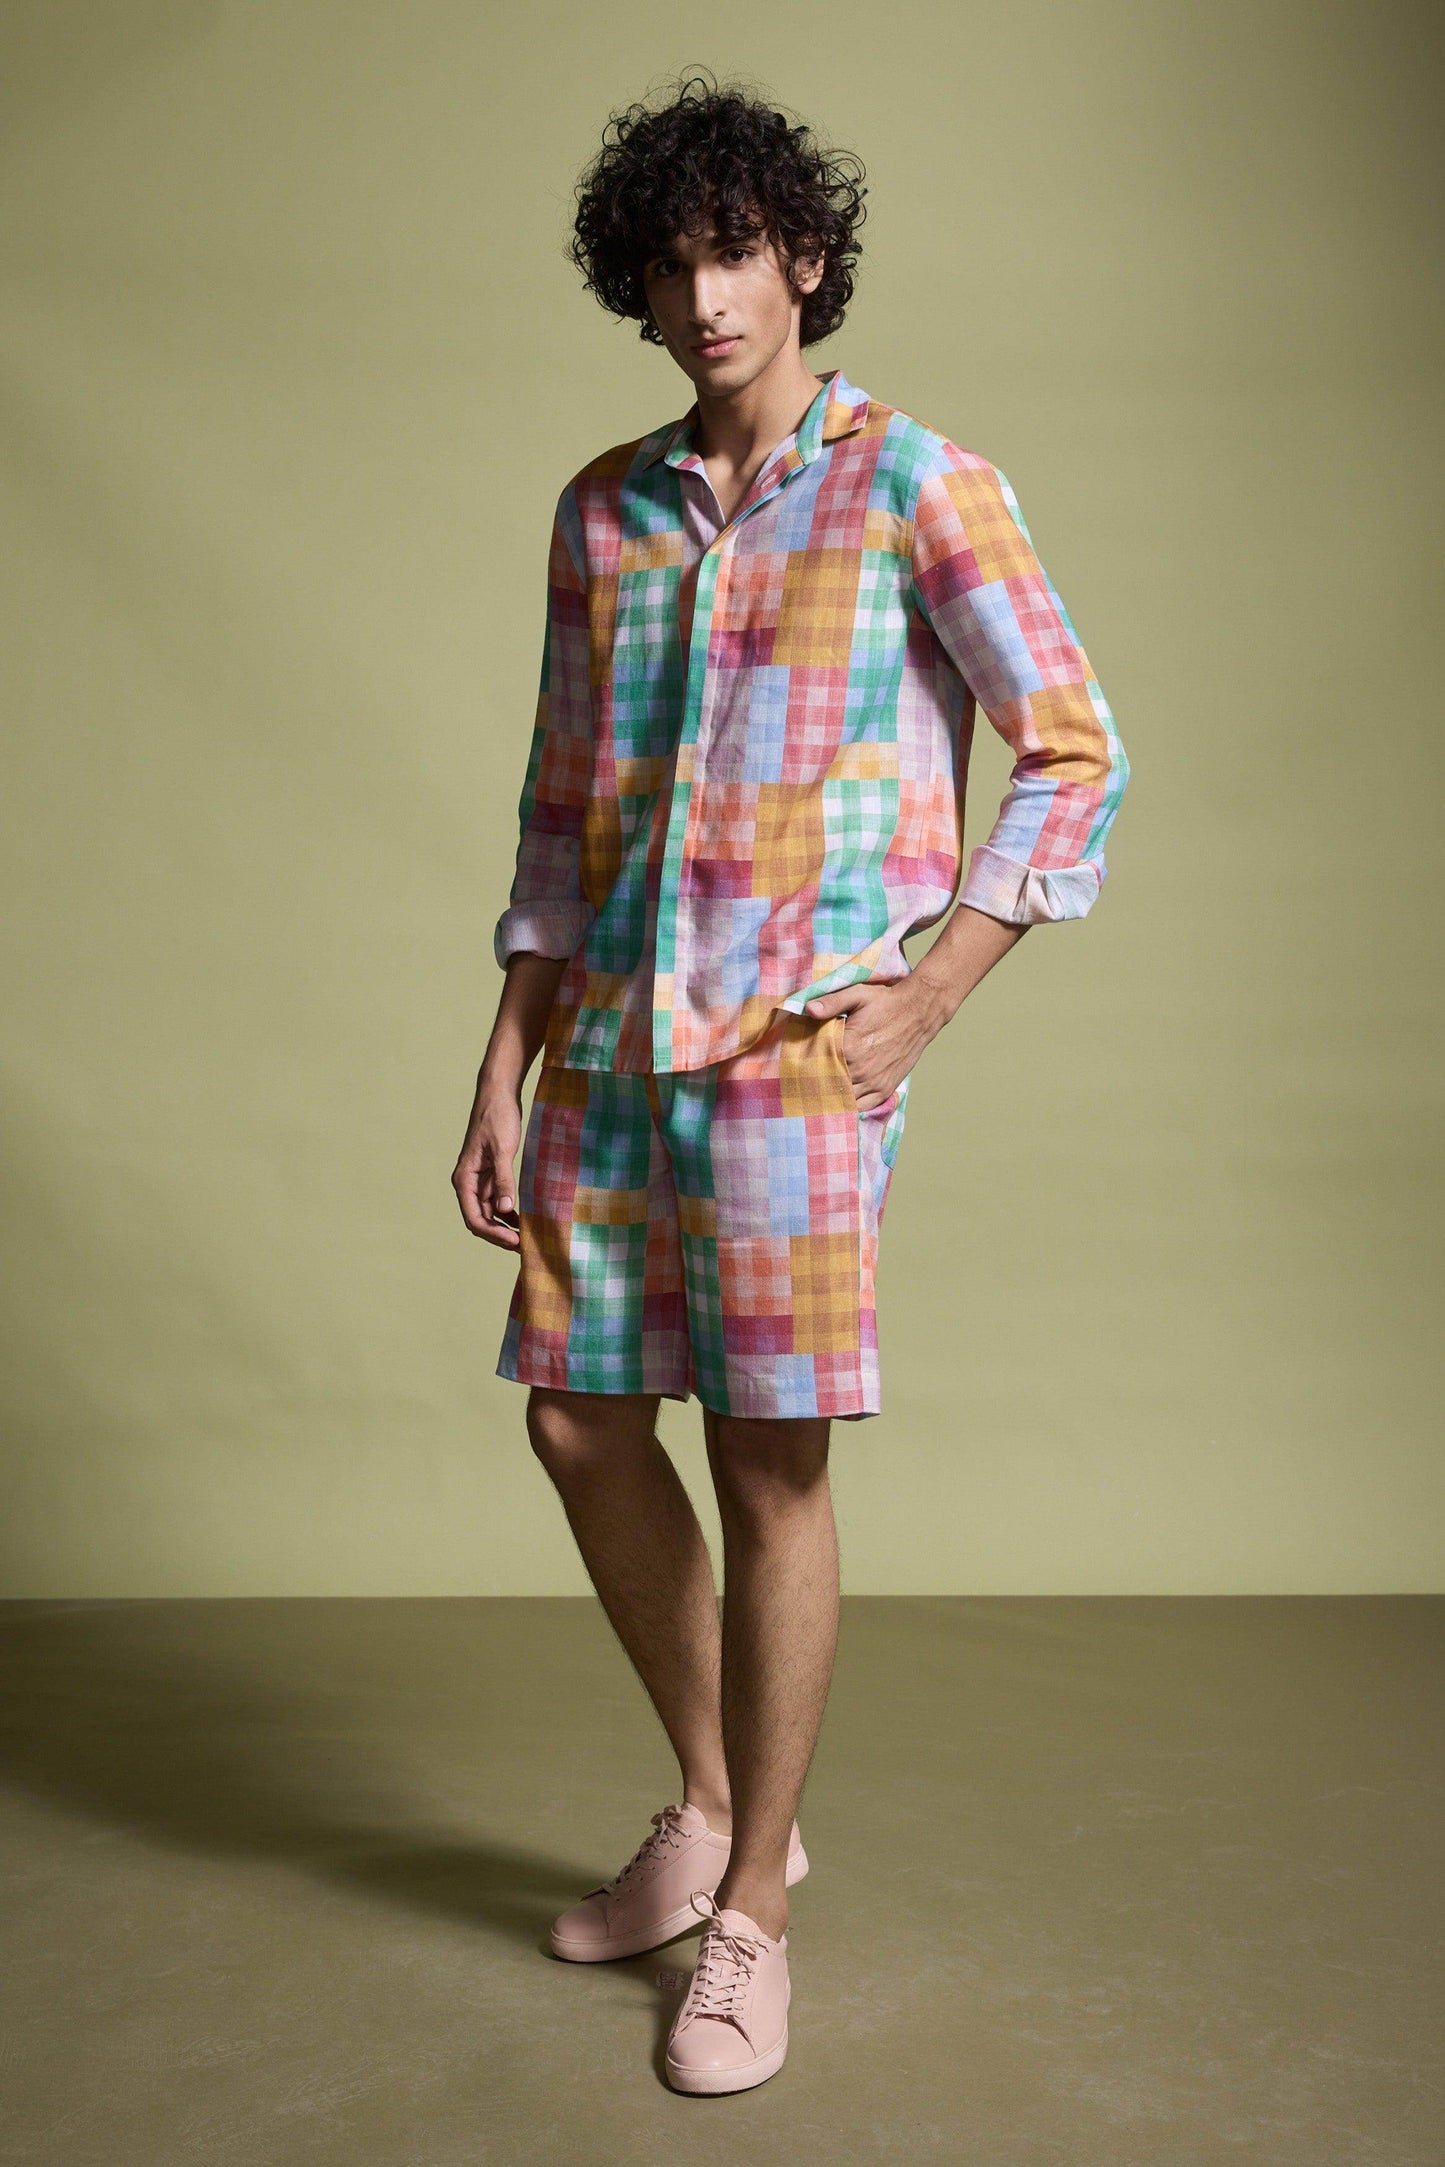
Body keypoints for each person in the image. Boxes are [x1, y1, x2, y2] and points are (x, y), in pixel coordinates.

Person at [452, 73, 1129, 2096]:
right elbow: (562, 808)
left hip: (791, 1061)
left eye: (735, 252)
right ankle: (720, 1803)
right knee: (579, 1419)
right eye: (671, 267)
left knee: (768, 1465)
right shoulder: (602, 510)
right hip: (611, 1043)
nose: (706, 297)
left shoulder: (920, 483)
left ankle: (749, 1908)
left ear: (804, 258)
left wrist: (929, 995)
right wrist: (501, 1057)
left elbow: (1073, 750)